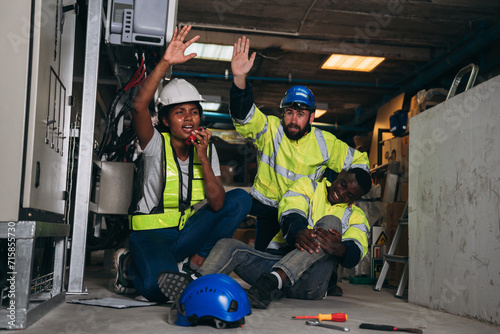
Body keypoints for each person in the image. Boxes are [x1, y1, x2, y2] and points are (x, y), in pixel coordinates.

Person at [113, 25, 252, 303]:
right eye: (179, 112)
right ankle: (128, 265)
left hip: (185, 235)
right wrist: (166, 62)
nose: (189, 118)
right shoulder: (154, 144)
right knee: (156, 291)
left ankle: (194, 262)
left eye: (194, 112)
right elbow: (139, 107)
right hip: (151, 236)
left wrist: (203, 157)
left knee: (239, 200)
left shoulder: (206, 148)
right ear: (165, 120)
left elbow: (217, 205)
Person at [229, 36, 370, 251]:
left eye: (301, 114)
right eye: (289, 112)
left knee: (303, 261)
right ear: (283, 112)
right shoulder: (271, 129)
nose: (294, 120)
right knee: (261, 262)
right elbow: (244, 117)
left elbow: (360, 161)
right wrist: (240, 79)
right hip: (267, 208)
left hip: (304, 212)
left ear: (311, 118)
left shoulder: (326, 143)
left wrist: (353, 191)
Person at [158, 168, 372, 309]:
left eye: (349, 195)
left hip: (310, 283)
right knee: (228, 244)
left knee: (331, 223)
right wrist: (298, 230)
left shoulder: (356, 216)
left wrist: (339, 249)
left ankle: (273, 282)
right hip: (270, 270)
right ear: (341, 175)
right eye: (343, 185)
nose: (342, 194)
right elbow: (291, 209)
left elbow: (356, 249)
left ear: (356, 199)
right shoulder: (309, 186)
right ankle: (193, 286)